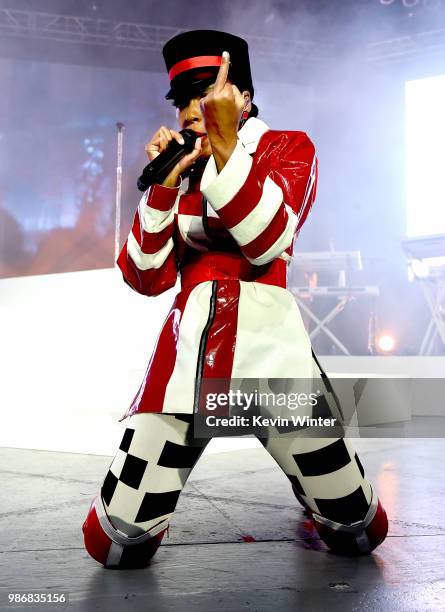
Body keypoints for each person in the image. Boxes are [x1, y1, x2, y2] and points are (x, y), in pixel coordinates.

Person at [82, 29, 388, 569]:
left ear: (241, 96)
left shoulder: (287, 148)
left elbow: (267, 238)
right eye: (181, 100)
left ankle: (313, 495)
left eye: (205, 92)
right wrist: (163, 188)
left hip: (274, 359)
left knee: (357, 528)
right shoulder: (183, 168)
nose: (190, 110)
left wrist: (224, 149)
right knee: (113, 540)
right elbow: (143, 275)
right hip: (187, 366)